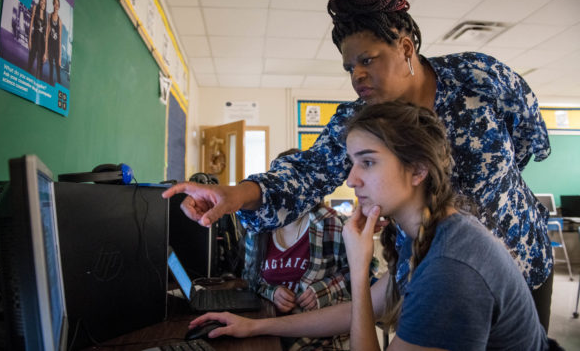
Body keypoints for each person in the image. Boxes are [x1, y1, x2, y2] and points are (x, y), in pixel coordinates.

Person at [162, 0, 553, 330]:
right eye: (350, 67)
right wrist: (233, 195)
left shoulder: (479, 79)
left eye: (368, 60)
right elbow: (304, 174)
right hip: (431, 276)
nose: (358, 76)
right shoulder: (361, 122)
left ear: (404, 48)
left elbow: (526, 143)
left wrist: (488, 196)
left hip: (521, 265)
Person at [187, 101, 550, 350]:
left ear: (418, 170)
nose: (351, 179)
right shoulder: (424, 233)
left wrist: (359, 270)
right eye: (351, 163)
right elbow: (357, 312)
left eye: (368, 163)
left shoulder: (450, 267)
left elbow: (362, 303)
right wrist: (255, 326)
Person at [243, 148, 355, 350]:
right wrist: (271, 292)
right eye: (278, 184)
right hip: (269, 329)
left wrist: (325, 290)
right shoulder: (259, 226)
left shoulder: (331, 222)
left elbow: (363, 270)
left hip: (319, 338)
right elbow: (249, 278)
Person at [27, 0, 47, 80]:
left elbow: (45, 35)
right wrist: (29, 40)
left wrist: (45, 53)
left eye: (44, 2)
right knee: (30, 62)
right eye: (41, 1)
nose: (43, 3)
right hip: (34, 38)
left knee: (40, 67)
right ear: (39, 1)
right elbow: (31, 23)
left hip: (42, 43)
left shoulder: (46, 15)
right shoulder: (35, 8)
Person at [45, 0, 63, 86]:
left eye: (58, 4)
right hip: (50, 46)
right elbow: (48, 32)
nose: (56, 6)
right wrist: (46, 49)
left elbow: (60, 40)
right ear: (53, 4)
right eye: (55, 4)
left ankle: (59, 84)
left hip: (56, 48)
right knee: (51, 66)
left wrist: (59, 57)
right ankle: (51, 84)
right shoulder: (49, 16)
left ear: (59, 7)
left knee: (57, 67)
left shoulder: (60, 21)